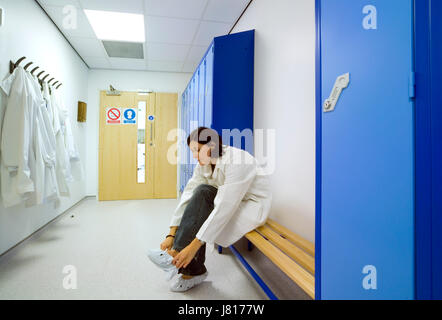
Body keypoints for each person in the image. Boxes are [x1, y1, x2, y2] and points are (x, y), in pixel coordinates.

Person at [147, 127, 272, 292]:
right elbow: (189, 194)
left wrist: (192, 247)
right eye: (192, 151)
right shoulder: (204, 163)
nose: (194, 156)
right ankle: (183, 261)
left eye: (197, 150)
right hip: (230, 200)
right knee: (200, 193)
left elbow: (226, 205)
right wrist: (171, 233)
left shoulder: (239, 159)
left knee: (205, 200)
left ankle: (183, 264)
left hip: (251, 204)